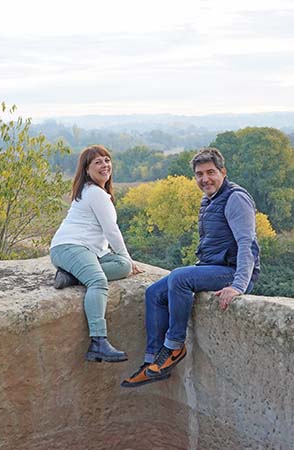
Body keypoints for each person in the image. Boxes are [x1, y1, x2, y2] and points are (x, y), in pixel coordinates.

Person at [121, 147, 260, 387]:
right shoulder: (209, 199)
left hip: (230, 271)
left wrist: (238, 286)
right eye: (199, 174)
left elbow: (246, 243)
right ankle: (153, 360)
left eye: (210, 172)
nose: (204, 179)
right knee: (154, 293)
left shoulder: (235, 198)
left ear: (223, 172)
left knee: (180, 278)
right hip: (211, 266)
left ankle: (174, 347)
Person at [50, 144, 142, 363]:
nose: (104, 165)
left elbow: (105, 236)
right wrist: (127, 255)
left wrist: (126, 260)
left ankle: (71, 276)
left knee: (123, 266)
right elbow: (111, 230)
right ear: (87, 170)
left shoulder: (98, 193)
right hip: (69, 247)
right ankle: (98, 342)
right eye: (97, 162)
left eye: (107, 160)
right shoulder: (94, 193)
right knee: (98, 281)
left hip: (90, 251)